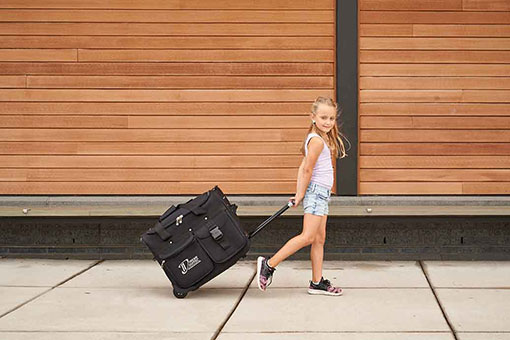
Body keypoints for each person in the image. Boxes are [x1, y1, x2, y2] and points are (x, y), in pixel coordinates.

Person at [257, 96, 347, 296]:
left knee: (319, 239)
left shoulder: (319, 138)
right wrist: (301, 193)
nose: (328, 122)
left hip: (321, 195)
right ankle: (269, 265)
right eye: (323, 117)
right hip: (316, 194)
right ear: (313, 117)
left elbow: (302, 167)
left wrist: (299, 194)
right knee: (307, 236)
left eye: (331, 118)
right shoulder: (316, 141)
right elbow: (307, 169)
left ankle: (316, 282)